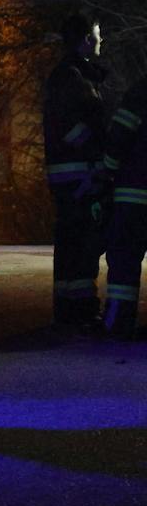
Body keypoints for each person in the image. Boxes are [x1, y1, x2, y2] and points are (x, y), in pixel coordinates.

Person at [41, 11, 111, 331]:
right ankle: (77, 312)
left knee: (78, 244)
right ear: (86, 40)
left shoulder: (76, 75)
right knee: (79, 245)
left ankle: (73, 310)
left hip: (77, 174)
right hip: (77, 176)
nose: (101, 40)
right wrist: (97, 152)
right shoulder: (70, 77)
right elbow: (69, 126)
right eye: (98, 35)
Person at [101, 75, 147, 338]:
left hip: (134, 194)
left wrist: (108, 171)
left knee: (124, 261)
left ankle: (118, 321)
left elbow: (119, 136)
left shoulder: (140, 92)